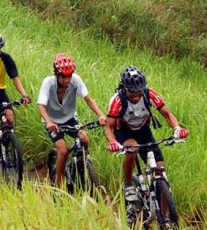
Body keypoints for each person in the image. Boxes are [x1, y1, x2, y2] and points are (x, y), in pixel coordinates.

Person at [103, 65, 189, 203]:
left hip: (144, 131)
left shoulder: (149, 94)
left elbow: (167, 114)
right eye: (132, 92)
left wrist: (177, 128)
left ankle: (167, 220)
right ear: (124, 89)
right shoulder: (117, 100)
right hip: (125, 132)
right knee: (133, 149)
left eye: (139, 91)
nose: (136, 95)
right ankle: (128, 184)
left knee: (161, 175)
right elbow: (108, 127)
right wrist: (113, 142)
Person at [37, 53, 107, 187]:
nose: (67, 80)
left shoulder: (75, 80)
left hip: (69, 118)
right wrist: (49, 123)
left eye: (69, 76)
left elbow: (88, 99)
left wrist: (100, 115)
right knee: (62, 150)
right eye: (64, 77)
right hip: (52, 121)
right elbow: (41, 106)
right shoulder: (48, 83)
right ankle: (58, 185)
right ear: (56, 74)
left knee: (84, 139)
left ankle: (82, 164)